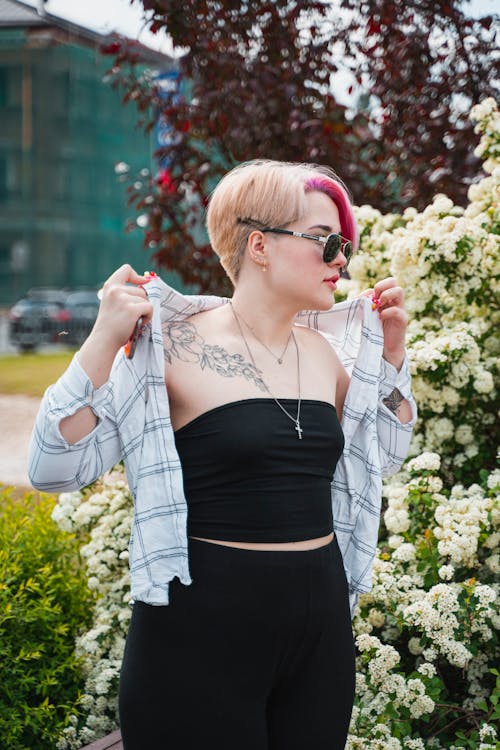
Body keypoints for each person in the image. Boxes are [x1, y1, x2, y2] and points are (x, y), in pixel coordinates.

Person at [28, 159, 417, 750]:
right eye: (327, 241)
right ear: (260, 245)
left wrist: (393, 356)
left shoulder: (325, 353)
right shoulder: (169, 346)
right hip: (202, 631)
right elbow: (52, 467)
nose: (342, 258)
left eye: (345, 245)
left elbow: (386, 455)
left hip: (320, 632)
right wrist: (104, 337)